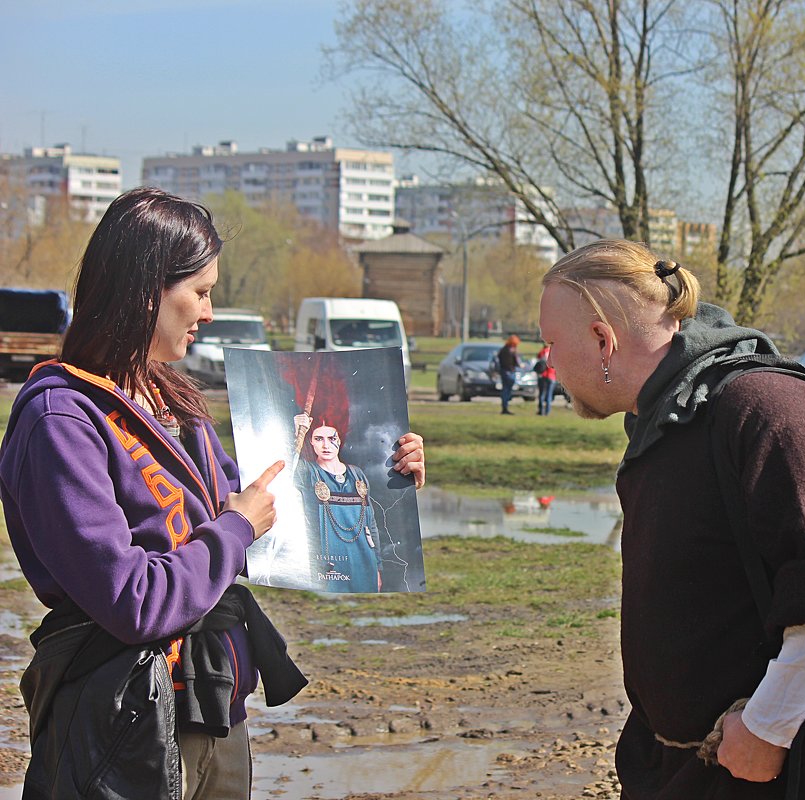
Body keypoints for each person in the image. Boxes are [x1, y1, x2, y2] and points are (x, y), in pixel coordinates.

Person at [0, 187, 427, 798]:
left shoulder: (177, 402)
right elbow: (134, 599)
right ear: (146, 289)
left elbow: (264, 516)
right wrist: (234, 527)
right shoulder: (61, 421)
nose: (207, 313)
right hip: (120, 721)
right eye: (200, 292)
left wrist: (379, 474)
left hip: (212, 703)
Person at [539, 239, 805, 798]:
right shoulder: (664, 423)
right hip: (688, 772)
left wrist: (765, 728)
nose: (548, 362)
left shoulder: (762, 405)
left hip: (767, 774)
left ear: (601, 339)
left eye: (552, 343)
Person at [292, 410, 387, 592]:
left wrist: (377, 567)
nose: (326, 445)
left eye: (331, 438)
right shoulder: (307, 472)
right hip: (329, 566)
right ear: (311, 441)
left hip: (364, 564)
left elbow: (370, 523)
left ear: (340, 439)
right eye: (319, 439)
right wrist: (297, 434)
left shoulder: (357, 474)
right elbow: (284, 468)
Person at [496, 333, 521, 414]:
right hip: (510, 371)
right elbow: (517, 362)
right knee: (508, 389)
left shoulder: (503, 349)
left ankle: (504, 406)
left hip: (503, 371)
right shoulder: (512, 351)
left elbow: (498, 358)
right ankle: (507, 402)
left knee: (505, 389)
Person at [535, 341, 556, 415]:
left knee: (542, 394)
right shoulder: (554, 352)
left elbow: (538, 362)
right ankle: (547, 411)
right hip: (552, 376)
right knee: (549, 394)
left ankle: (541, 411)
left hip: (543, 375)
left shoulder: (542, 352)